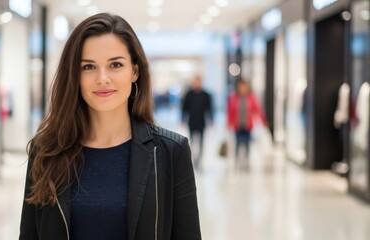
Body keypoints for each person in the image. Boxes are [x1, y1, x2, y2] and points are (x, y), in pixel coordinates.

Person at [19, 13, 201, 240]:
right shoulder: (46, 150)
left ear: (134, 71)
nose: (102, 78)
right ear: (74, 75)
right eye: (88, 67)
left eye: (115, 65)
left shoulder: (170, 152)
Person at [227, 79, 267, 164]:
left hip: (248, 125)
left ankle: (246, 161)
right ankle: (237, 161)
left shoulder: (251, 98)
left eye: (244, 86)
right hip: (237, 125)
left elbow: (258, 110)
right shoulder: (234, 97)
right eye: (241, 86)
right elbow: (230, 111)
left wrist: (263, 121)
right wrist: (229, 123)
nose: (242, 88)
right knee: (238, 143)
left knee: (247, 144)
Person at [181, 75, 213, 169]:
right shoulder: (189, 94)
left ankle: (199, 160)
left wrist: (211, 119)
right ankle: (192, 160)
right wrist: (182, 120)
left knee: (201, 142)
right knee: (191, 141)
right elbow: (184, 108)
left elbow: (209, 109)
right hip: (192, 121)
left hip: (201, 122)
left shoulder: (206, 95)